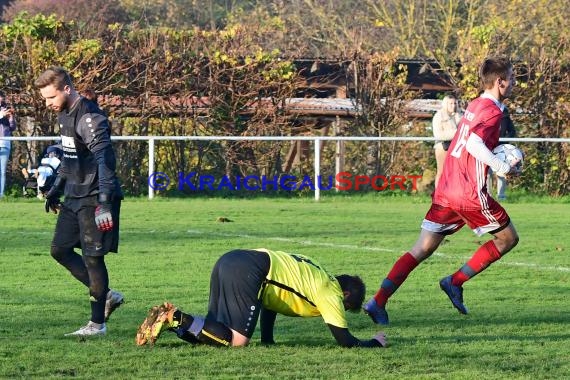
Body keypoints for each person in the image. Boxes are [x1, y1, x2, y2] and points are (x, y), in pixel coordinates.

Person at [363, 56, 520, 325]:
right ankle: (454, 281)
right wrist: (501, 167)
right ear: (500, 82)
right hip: (468, 192)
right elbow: (473, 143)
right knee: (508, 239)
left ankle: (377, 302)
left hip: (447, 188)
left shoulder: (475, 105)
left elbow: (471, 142)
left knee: (422, 248)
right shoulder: (493, 111)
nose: (515, 82)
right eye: (513, 77)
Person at [136, 248, 387, 348]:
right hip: (249, 270)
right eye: (346, 307)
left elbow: (273, 301)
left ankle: (170, 322)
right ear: (345, 294)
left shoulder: (317, 273)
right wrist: (375, 342)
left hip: (231, 260)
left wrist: (268, 340)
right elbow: (344, 340)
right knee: (236, 341)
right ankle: (175, 316)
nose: (339, 311)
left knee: (216, 333)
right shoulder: (329, 292)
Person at [34, 67, 124, 337]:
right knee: (59, 250)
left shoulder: (89, 118)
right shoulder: (64, 114)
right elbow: (70, 157)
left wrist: (105, 202)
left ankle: (97, 325)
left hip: (95, 197)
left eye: (50, 97)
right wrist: (55, 190)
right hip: (75, 194)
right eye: (44, 99)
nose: (47, 104)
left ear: (66, 89)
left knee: (92, 258)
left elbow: (106, 162)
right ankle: (106, 295)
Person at [432, 94, 462, 188]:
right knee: (441, 172)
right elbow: (438, 134)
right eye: (450, 103)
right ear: (445, 104)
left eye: (454, 103)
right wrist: (456, 133)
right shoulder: (438, 116)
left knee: (455, 173)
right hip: (442, 147)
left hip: (456, 148)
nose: (453, 105)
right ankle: (438, 196)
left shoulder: (460, 115)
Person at [488, 107, 517, 200]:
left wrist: (504, 142)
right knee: (488, 173)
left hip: (502, 149)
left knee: (502, 172)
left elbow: (512, 131)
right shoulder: (487, 112)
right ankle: (488, 195)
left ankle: (501, 195)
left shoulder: (505, 114)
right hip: (488, 147)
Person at [0, 90, 17, 198]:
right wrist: (2, 115)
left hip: (5, 143)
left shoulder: (6, 108)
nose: (1, 99)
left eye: (1, 97)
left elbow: (13, 128)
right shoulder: (2, 112)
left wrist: (11, 117)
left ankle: (1, 195)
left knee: (2, 172)